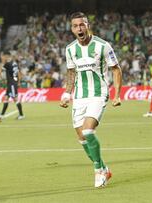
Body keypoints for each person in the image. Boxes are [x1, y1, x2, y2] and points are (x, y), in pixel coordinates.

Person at [60, 12, 122, 188]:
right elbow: (71, 72)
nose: (79, 28)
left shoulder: (103, 46)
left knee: (88, 131)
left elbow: (116, 69)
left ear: (88, 25)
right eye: (75, 26)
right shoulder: (70, 49)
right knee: (82, 138)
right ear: (72, 29)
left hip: (98, 94)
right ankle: (104, 168)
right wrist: (66, 94)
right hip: (79, 97)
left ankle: (98, 170)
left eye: (82, 24)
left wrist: (117, 94)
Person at [0, 51, 24, 120]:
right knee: (6, 98)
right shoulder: (14, 63)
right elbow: (19, 73)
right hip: (12, 83)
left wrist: (1, 78)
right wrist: (19, 82)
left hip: (11, 84)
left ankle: (21, 115)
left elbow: (0, 71)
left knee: (15, 99)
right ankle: (2, 115)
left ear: (7, 57)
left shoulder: (7, 64)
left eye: (4, 56)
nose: (3, 58)